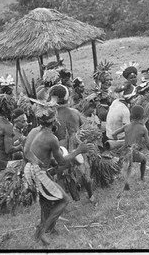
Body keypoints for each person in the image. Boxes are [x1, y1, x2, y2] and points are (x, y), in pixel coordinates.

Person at [23, 102, 91, 246]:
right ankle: (43, 231)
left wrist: (42, 162)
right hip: (37, 172)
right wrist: (78, 151)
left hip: (31, 169)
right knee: (64, 200)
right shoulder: (51, 138)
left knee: (46, 201)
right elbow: (61, 161)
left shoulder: (37, 131)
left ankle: (48, 228)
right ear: (54, 121)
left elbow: (28, 152)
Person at [110, 105, 149, 191]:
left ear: (131, 116)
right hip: (132, 151)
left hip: (123, 150)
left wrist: (118, 141)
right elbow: (148, 143)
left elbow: (113, 134)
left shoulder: (126, 126)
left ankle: (121, 179)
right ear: (142, 117)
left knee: (123, 164)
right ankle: (141, 178)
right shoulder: (143, 129)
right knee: (144, 160)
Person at [0, 94, 23, 177]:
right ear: (9, 109)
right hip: (2, 163)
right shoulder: (7, 125)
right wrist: (21, 146)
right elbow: (8, 150)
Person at [48, 84, 84, 149]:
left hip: (60, 152)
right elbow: (83, 128)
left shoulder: (50, 116)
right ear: (67, 98)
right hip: (76, 150)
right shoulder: (75, 112)